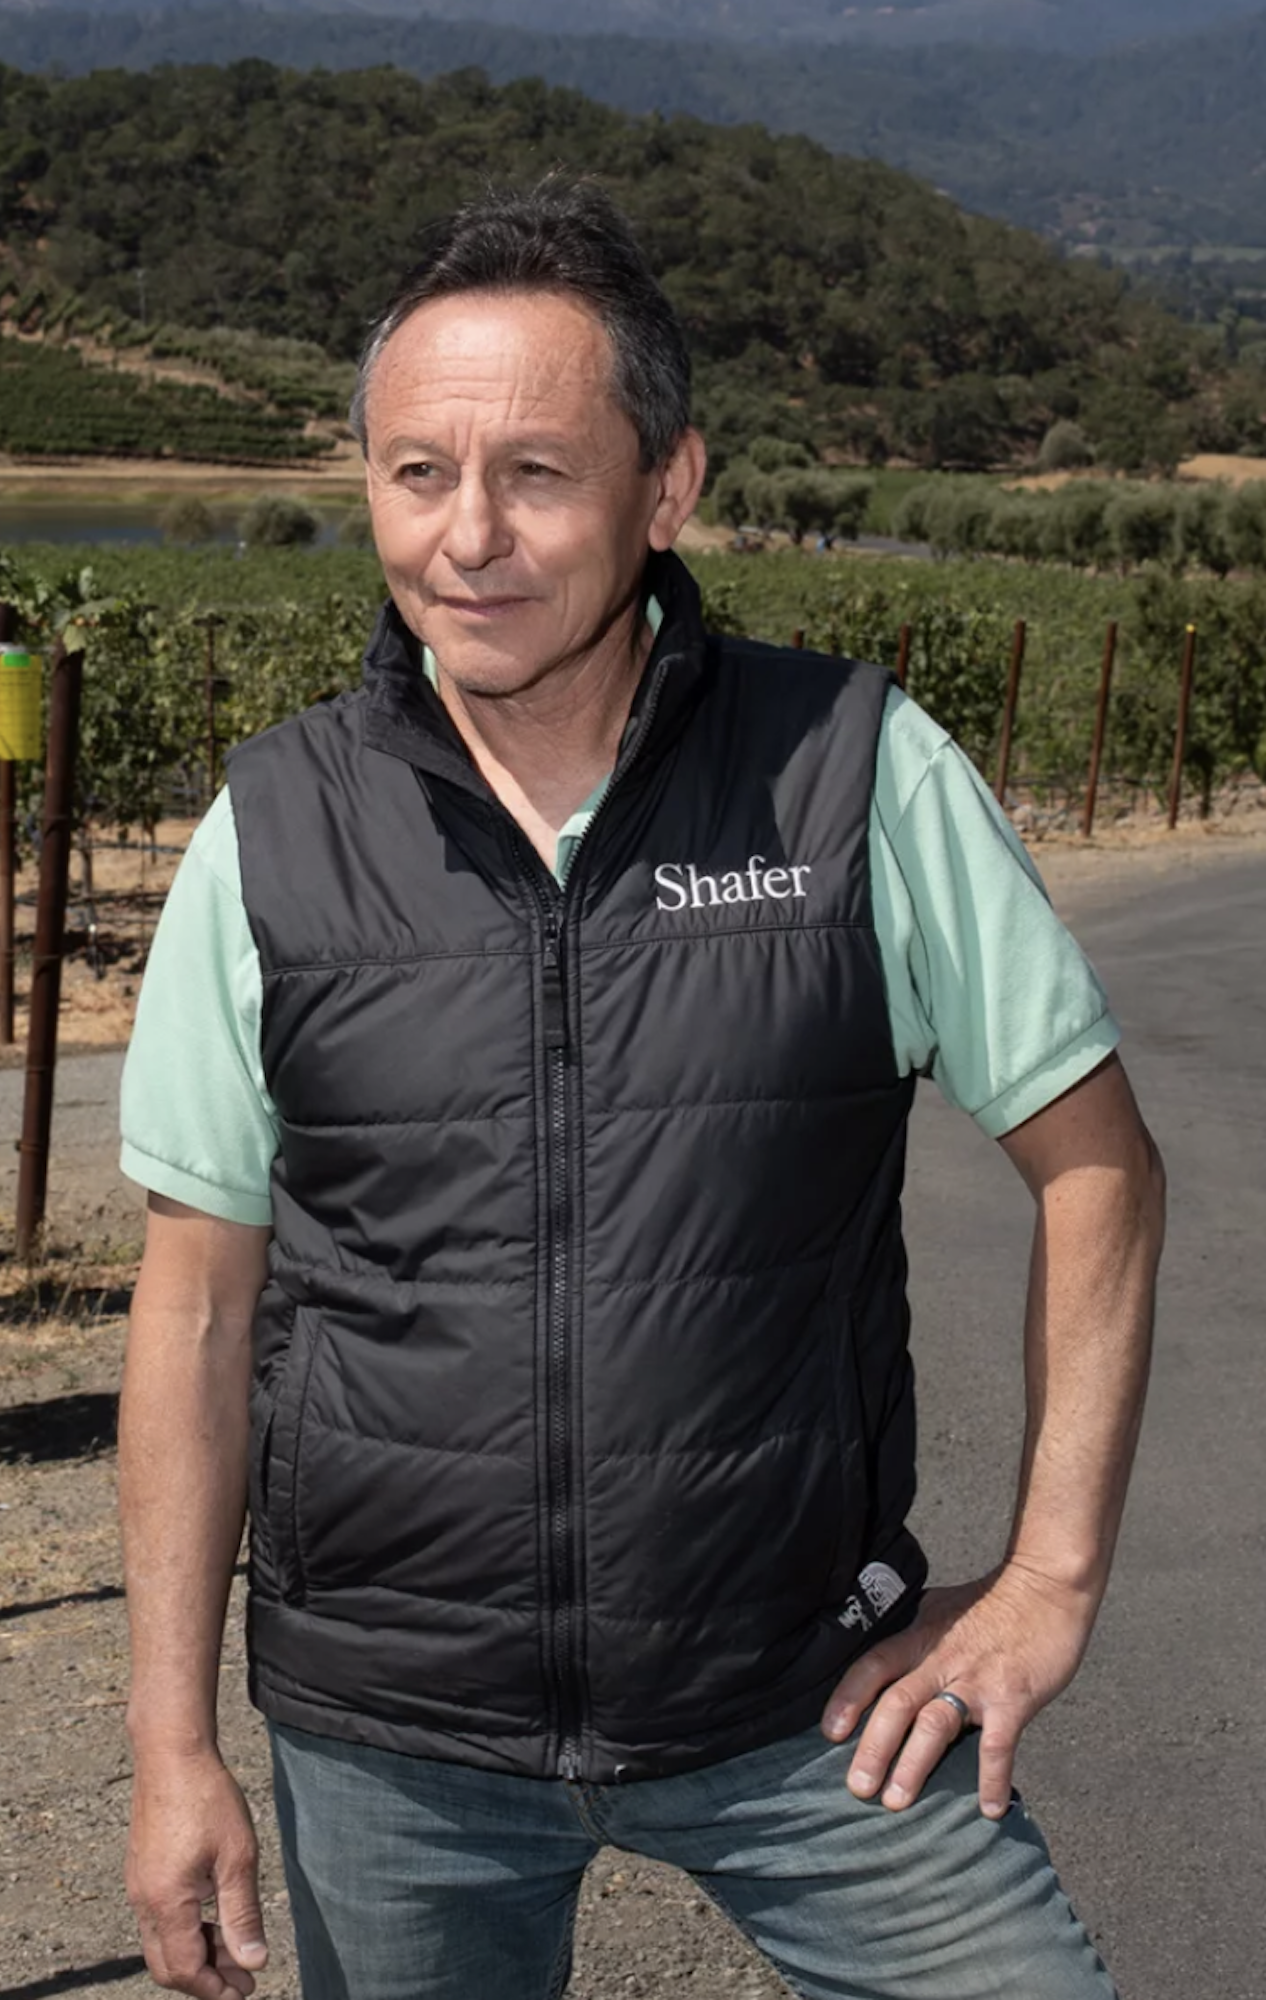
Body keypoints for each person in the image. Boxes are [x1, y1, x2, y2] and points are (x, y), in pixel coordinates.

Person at [118, 180, 1166, 2000]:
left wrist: (1046, 1582)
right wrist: (170, 1749)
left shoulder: (850, 771)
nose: (469, 539)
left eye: (535, 472)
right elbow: (197, 1304)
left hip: (805, 1714)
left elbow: (1100, 1172)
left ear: (664, 487)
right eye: (416, 473)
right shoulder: (272, 829)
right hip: (389, 1748)